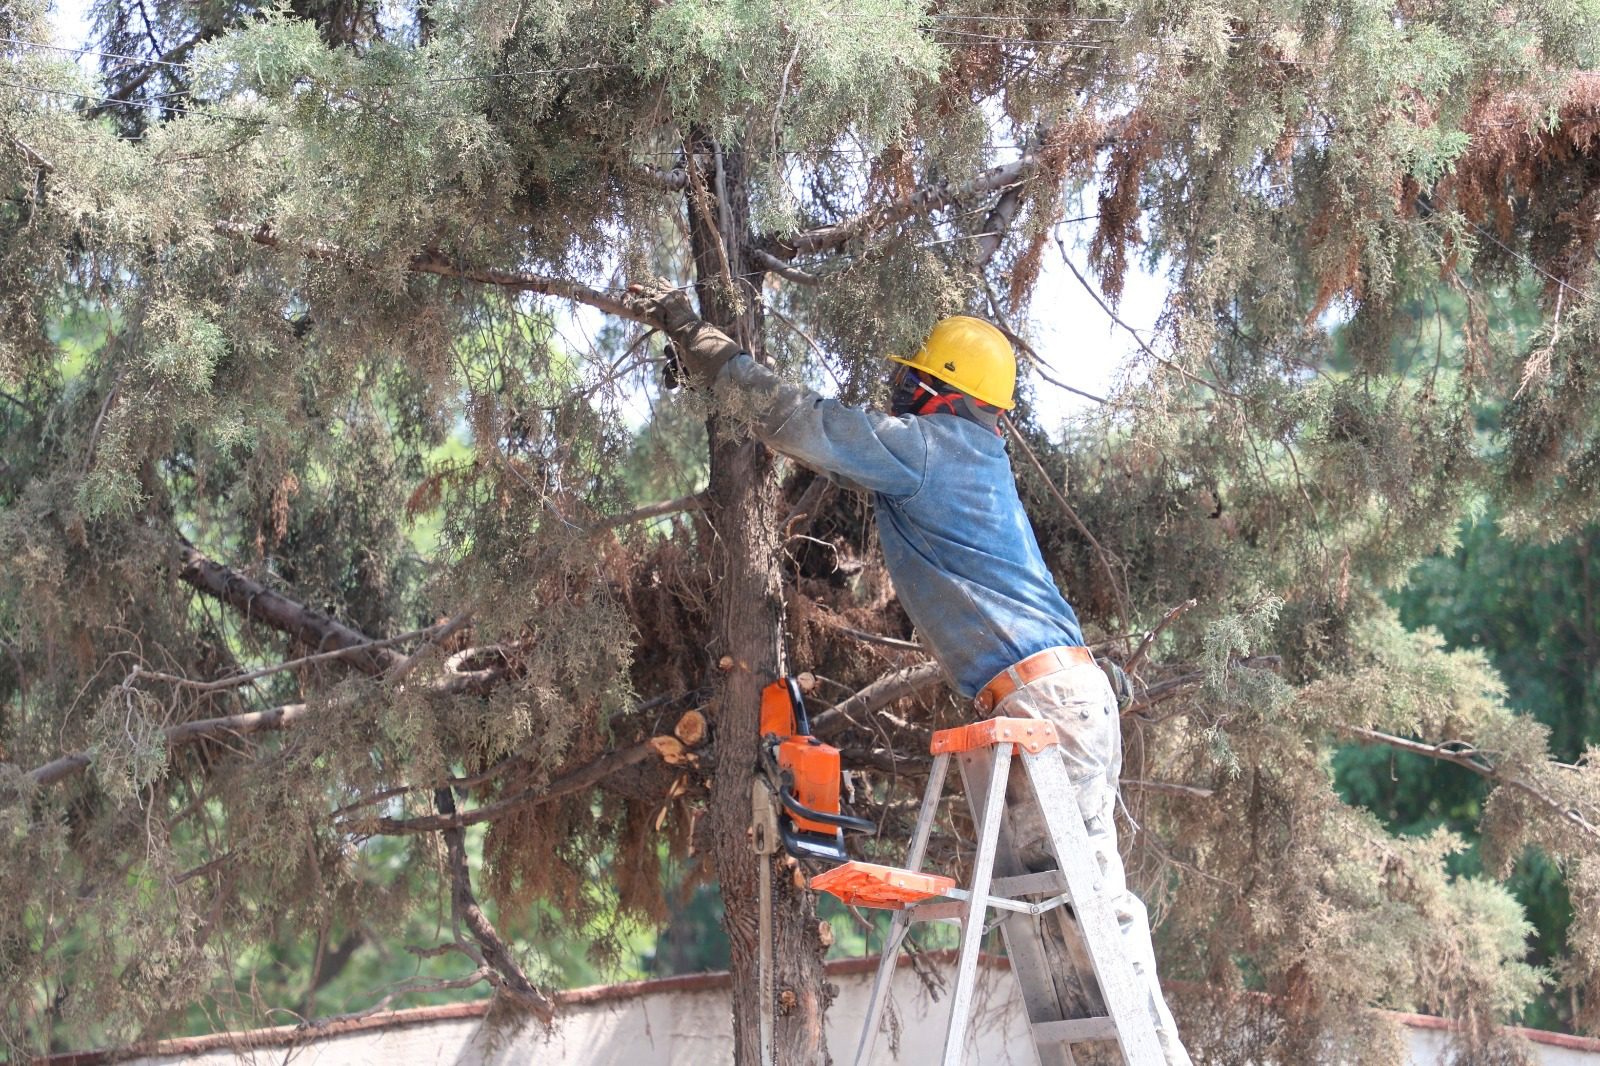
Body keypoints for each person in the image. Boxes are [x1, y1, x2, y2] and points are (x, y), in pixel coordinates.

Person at [626, 282, 1190, 1065]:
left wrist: (704, 346)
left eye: (910, 381)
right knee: (1076, 916)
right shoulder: (975, 462)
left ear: (940, 391)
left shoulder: (930, 449)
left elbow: (804, 423)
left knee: (1099, 912)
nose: (897, 392)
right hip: (1050, 696)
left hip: (1043, 702)